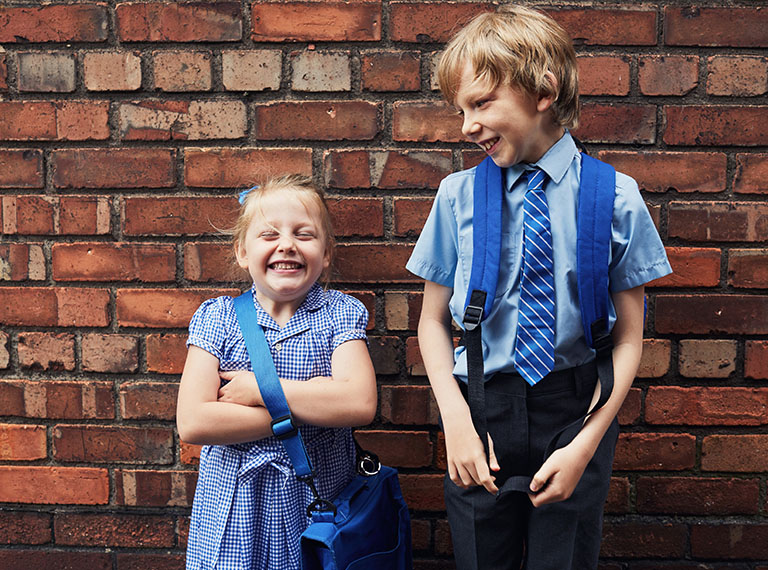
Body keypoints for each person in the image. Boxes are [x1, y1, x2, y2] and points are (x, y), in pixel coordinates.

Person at [406, 6, 672, 569]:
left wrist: (586, 444)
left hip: (576, 407)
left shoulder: (615, 196)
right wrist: (456, 422)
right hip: (481, 407)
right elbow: (432, 321)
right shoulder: (456, 196)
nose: (466, 126)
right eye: (460, 109)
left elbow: (627, 339)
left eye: (481, 103)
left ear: (543, 91)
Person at [176, 173, 377, 570]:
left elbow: (359, 402)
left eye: (304, 234)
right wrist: (309, 404)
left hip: (317, 506)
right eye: (269, 235)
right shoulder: (218, 318)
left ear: (327, 251)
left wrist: (258, 389)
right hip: (233, 510)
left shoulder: (340, 313)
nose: (287, 244)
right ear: (242, 252)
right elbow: (195, 422)